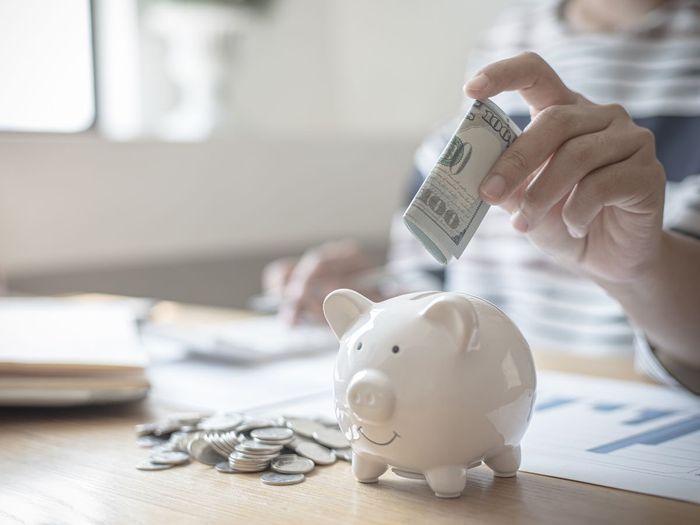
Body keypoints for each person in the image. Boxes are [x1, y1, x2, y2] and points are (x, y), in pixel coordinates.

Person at [263, 0, 700, 393]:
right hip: (474, 408)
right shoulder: (504, 37)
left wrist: (638, 271)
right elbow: (430, 281)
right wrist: (373, 301)